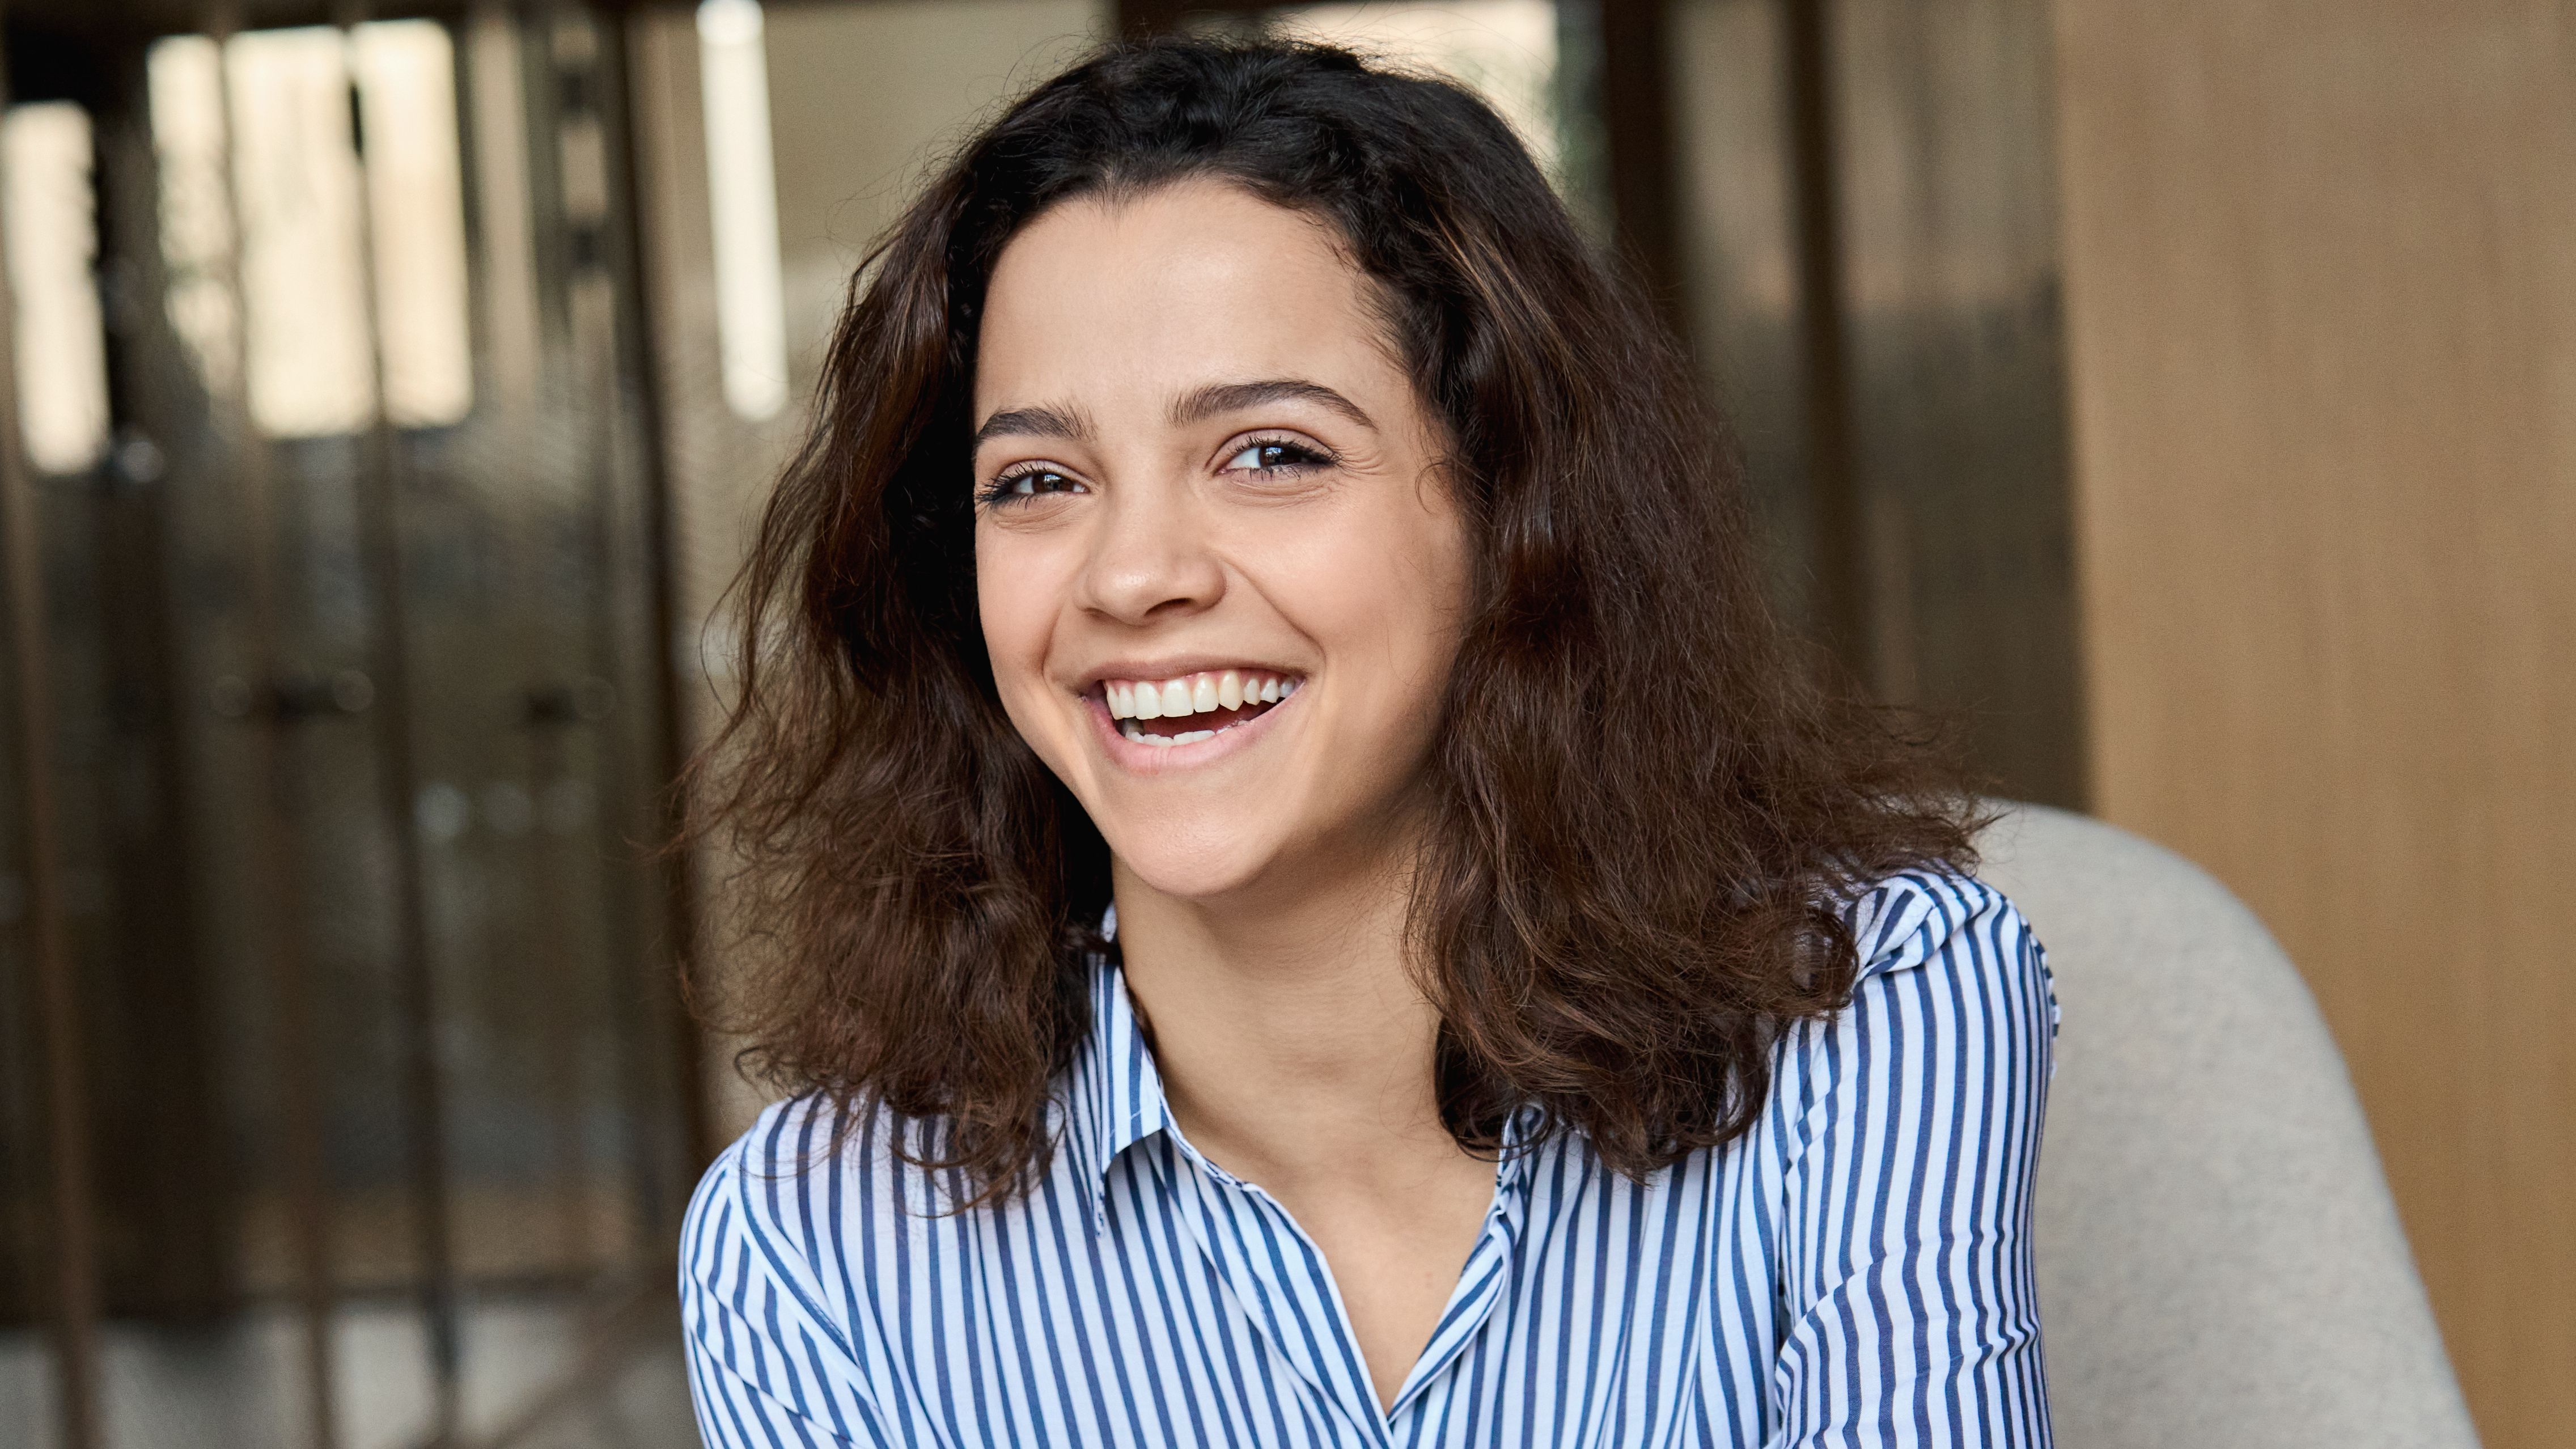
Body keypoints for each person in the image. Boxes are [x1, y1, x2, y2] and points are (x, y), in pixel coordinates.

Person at [679, 35, 2054, 1448]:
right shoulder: (816, 1249)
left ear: (1512, 515)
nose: (1131, 575)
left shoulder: (1864, 1011)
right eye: (1036, 480)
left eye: (1271, 453)